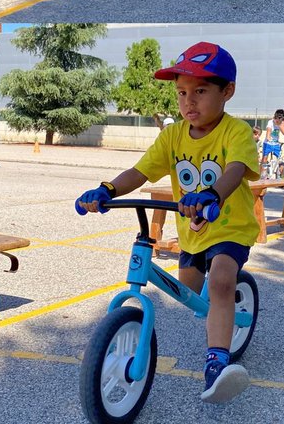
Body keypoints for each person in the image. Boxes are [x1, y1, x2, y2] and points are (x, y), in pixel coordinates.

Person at [74, 42, 258, 403]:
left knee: (221, 282)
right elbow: (141, 171)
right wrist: (107, 189)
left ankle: (217, 364)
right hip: (192, 233)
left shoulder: (235, 132)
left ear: (228, 92)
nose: (189, 101)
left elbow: (235, 170)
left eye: (201, 91)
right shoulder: (172, 135)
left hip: (229, 226)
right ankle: (213, 313)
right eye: (182, 92)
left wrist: (212, 195)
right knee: (188, 294)